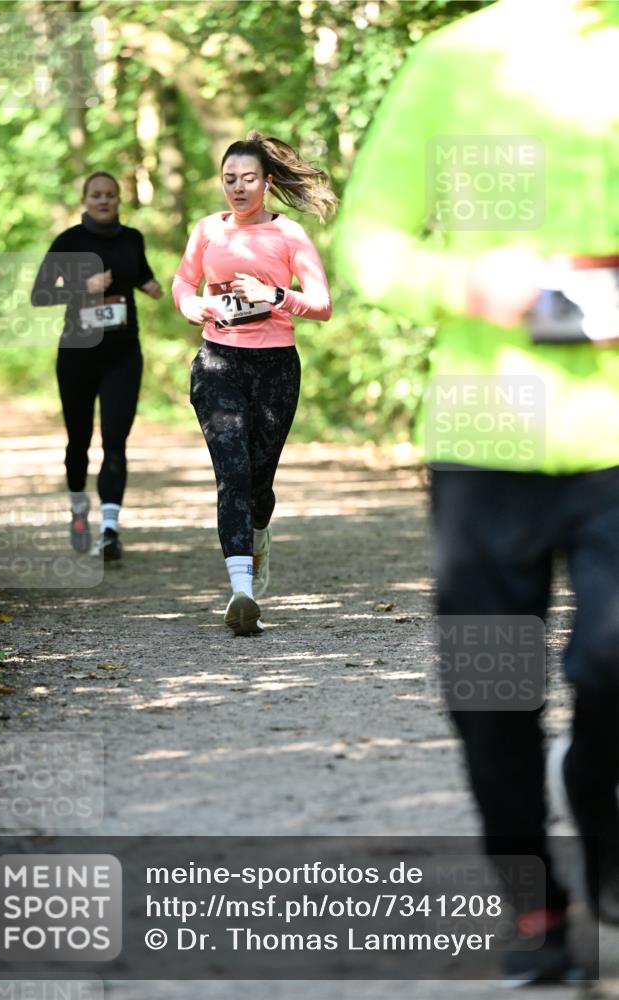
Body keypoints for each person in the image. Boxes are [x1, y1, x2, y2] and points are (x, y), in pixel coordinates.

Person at [335, 0, 619, 985]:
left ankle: (599, 817)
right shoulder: (454, 60)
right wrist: (472, 284)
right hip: (485, 426)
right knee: (490, 692)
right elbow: (366, 244)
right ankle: (536, 906)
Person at [173, 131, 336, 635]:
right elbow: (183, 281)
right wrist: (190, 304)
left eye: (247, 179)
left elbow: (322, 305)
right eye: (229, 180)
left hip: (276, 369)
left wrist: (276, 294)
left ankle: (258, 536)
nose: (238, 189)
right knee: (234, 473)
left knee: (259, 484)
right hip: (218, 364)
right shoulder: (207, 230)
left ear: (266, 182)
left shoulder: (289, 234)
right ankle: (241, 592)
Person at [31, 171, 162, 560]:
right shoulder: (69, 241)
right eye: (96, 195)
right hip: (78, 353)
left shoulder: (132, 238)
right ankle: (77, 510)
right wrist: (82, 288)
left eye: (110, 195)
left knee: (115, 440)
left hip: (123, 353)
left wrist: (151, 286)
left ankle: (109, 530)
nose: (103, 201)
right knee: (79, 441)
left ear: (119, 200)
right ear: (85, 199)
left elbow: (140, 274)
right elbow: (39, 294)